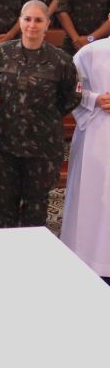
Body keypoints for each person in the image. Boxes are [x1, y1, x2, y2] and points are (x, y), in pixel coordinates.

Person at [0, 0, 80, 227]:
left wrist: (44, 116)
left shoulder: (61, 60)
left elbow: (72, 96)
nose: (32, 25)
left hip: (43, 147)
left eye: (38, 20)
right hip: (6, 143)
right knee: (4, 205)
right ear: (20, 21)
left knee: (36, 208)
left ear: (47, 24)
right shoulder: (3, 53)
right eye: (27, 19)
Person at [61, 37, 110, 279]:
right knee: (91, 198)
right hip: (96, 133)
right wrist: (95, 99)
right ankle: (87, 260)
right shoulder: (90, 52)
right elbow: (72, 87)